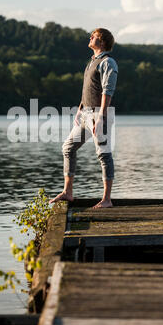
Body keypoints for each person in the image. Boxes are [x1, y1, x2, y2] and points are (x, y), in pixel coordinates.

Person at [50, 28, 118, 208]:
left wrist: (101, 117)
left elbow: (107, 91)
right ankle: (68, 192)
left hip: (99, 115)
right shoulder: (91, 62)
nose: (90, 37)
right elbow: (89, 89)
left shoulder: (108, 62)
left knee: (103, 155)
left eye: (94, 36)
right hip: (85, 114)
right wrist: (80, 109)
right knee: (68, 148)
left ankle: (107, 200)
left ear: (102, 42)